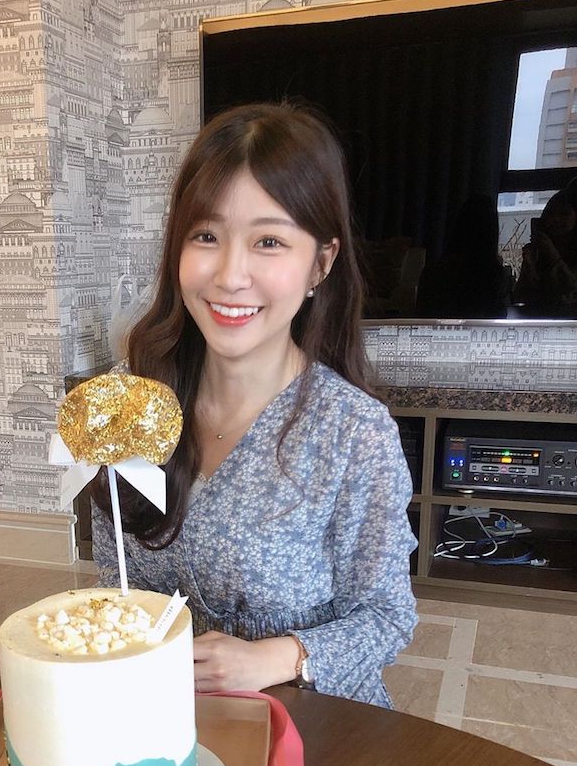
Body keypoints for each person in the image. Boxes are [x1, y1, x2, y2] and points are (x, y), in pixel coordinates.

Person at [91, 102, 417, 707]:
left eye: (269, 241)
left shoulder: (354, 431)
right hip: (170, 717)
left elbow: (386, 617)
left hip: (317, 726)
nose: (230, 275)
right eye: (206, 236)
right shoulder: (130, 403)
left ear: (320, 263)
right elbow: (118, 584)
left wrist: (272, 658)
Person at [515, 181, 577, 318]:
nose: (556, 219)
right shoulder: (539, 251)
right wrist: (529, 268)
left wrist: (553, 256)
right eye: (551, 214)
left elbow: (572, 291)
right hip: (537, 321)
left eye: (564, 214)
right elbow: (520, 297)